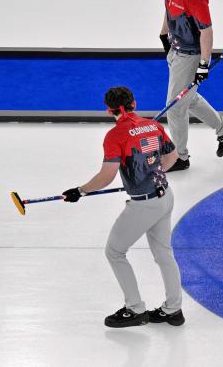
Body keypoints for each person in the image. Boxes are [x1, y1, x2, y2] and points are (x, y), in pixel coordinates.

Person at [62, 86, 185, 328]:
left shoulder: (115, 135)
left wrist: (80, 190)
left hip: (144, 205)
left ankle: (135, 309)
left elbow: (107, 176)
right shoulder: (154, 125)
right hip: (165, 196)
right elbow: (173, 156)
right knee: (163, 253)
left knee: (115, 252)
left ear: (109, 110)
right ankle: (174, 310)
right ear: (134, 104)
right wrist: (154, 173)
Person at [158, 0, 223, 172]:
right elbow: (168, 8)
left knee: (175, 107)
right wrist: (164, 34)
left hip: (190, 54)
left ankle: (180, 157)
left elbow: (207, 31)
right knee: (189, 99)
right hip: (175, 49)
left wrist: (204, 64)